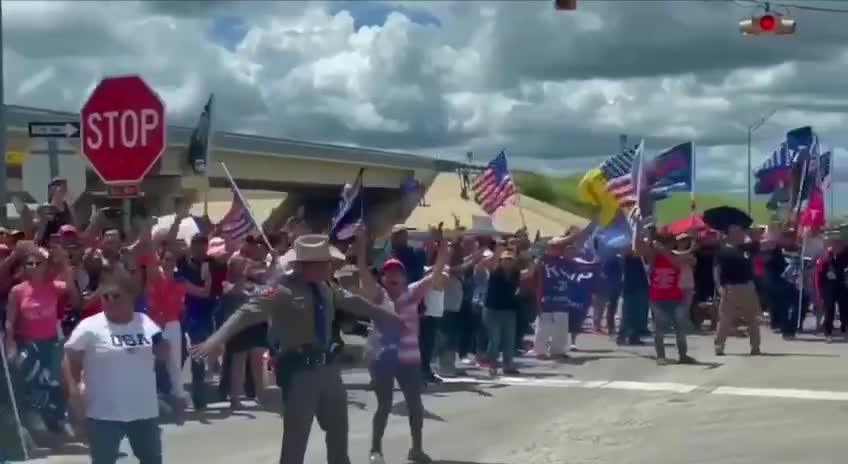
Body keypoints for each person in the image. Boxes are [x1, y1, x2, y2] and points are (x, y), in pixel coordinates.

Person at [191, 234, 401, 464]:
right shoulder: (281, 290)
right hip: (300, 371)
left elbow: (353, 302)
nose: (328, 266)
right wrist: (216, 338)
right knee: (296, 441)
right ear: (304, 265)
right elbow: (245, 313)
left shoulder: (326, 287)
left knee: (339, 434)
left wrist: (387, 315)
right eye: (322, 263)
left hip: (329, 369)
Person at [355, 226, 448, 464]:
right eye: (388, 272)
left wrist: (442, 245)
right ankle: (376, 449)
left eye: (397, 272)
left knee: (415, 406)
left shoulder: (413, 293)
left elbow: (437, 273)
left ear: (404, 277)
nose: (393, 275)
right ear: (383, 277)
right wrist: (362, 242)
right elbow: (363, 270)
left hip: (409, 359)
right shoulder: (377, 296)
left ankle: (416, 449)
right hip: (382, 359)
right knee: (384, 405)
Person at [63, 275, 169, 464]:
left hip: (143, 410)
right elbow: (69, 358)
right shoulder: (90, 326)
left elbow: (162, 351)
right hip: (104, 412)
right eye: (105, 297)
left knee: (152, 459)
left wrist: (164, 346)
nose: (110, 301)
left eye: (116, 296)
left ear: (131, 297)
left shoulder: (144, 321)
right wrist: (73, 391)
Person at [635, 231, 697, 365]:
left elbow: (677, 263)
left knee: (680, 327)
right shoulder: (653, 257)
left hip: (675, 297)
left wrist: (663, 251)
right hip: (657, 298)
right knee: (660, 327)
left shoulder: (676, 256)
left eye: (669, 243)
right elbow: (639, 249)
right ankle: (661, 356)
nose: (669, 245)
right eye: (665, 243)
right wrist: (641, 232)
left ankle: (683, 355)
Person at [714, 224, 762, 356]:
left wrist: (749, 231)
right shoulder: (722, 250)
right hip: (729, 288)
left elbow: (757, 238)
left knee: (752, 318)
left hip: (747, 286)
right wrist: (718, 286)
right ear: (730, 234)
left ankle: (755, 347)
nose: (740, 234)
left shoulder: (747, 248)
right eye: (736, 232)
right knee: (725, 318)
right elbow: (717, 270)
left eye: (740, 232)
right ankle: (719, 346)